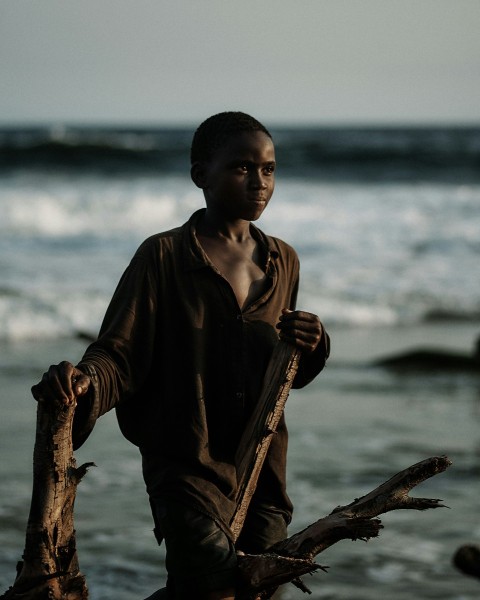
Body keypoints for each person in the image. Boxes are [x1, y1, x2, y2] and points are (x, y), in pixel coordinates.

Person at [32, 112, 330, 599]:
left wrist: (315, 341)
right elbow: (119, 353)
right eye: (241, 168)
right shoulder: (164, 256)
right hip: (187, 464)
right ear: (200, 175)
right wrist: (83, 381)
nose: (259, 182)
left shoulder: (283, 259)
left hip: (263, 464)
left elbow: (287, 370)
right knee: (211, 587)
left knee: (263, 590)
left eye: (269, 169)